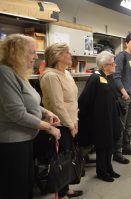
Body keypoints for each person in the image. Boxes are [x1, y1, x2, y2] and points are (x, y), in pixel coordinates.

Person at [0, 34, 61, 199]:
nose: (36, 56)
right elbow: (17, 113)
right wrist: (49, 128)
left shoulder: (18, 73)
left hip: (25, 141)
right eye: (32, 52)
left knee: (26, 186)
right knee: (15, 189)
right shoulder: (4, 73)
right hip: (12, 145)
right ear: (17, 53)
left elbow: (30, 103)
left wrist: (46, 112)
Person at [40, 43, 83, 199]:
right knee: (60, 161)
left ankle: (66, 189)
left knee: (68, 158)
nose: (71, 55)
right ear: (58, 55)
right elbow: (58, 105)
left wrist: (75, 121)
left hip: (70, 123)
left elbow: (72, 101)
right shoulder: (51, 76)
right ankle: (61, 194)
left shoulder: (65, 73)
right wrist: (71, 125)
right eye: (67, 52)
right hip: (60, 125)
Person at [78, 51, 122, 182]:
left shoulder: (108, 77)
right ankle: (101, 171)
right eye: (113, 63)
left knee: (109, 144)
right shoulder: (95, 78)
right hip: (100, 120)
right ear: (105, 65)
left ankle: (109, 168)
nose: (115, 65)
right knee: (102, 146)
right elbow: (84, 100)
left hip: (110, 117)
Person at [113, 33, 131, 164]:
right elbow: (116, 77)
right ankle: (117, 152)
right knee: (121, 125)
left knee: (129, 124)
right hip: (124, 97)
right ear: (127, 43)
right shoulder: (121, 56)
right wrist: (124, 93)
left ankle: (126, 146)